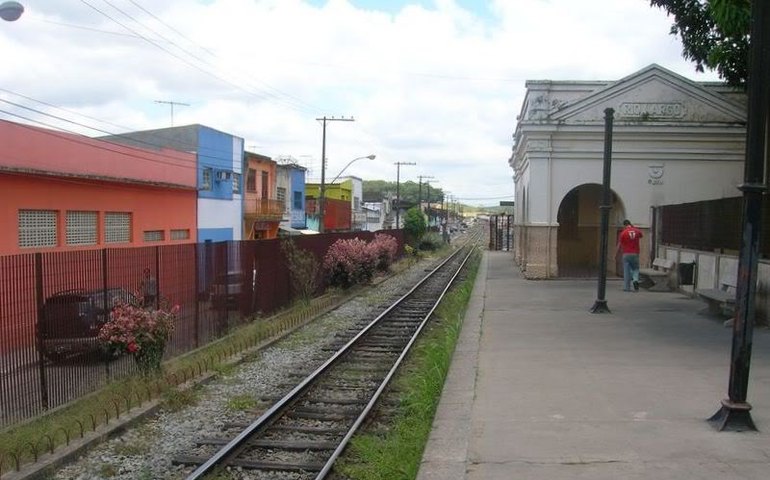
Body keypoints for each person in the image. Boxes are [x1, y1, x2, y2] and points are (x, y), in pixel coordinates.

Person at [616, 219, 643, 292]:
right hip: (635, 253)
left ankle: (626, 287)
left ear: (624, 225)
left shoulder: (623, 233)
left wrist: (616, 254)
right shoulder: (637, 231)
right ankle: (635, 280)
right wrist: (633, 228)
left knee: (626, 270)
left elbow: (619, 244)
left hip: (626, 253)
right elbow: (641, 236)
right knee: (635, 268)